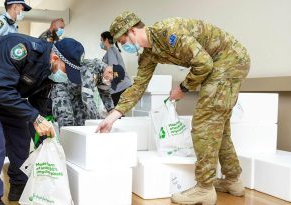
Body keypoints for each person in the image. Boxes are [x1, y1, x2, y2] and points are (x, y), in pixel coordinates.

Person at [96, 11, 250, 205]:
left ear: (132, 30)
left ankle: (204, 189)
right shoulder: (148, 55)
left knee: (205, 124)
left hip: (229, 60)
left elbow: (204, 63)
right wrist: (112, 116)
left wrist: (183, 88)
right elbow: (138, 87)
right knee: (218, 125)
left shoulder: (167, 32)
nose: (122, 45)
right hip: (220, 63)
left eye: (122, 39)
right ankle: (233, 180)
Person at [0, 33, 84, 205]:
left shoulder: (50, 70)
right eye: (67, 70)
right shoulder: (21, 48)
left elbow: (38, 103)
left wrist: (43, 138)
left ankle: (20, 186)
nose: (66, 77)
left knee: (20, 136)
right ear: (55, 58)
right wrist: (35, 118)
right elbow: (2, 92)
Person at [51, 58, 115, 127]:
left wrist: (111, 110)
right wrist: (97, 121)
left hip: (77, 93)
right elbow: (87, 97)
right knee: (66, 121)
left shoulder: (105, 75)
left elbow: (105, 93)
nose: (109, 82)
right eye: (110, 80)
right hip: (63, 89)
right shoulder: (91, 68)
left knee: (82, 121)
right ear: (110, 72)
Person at [100, 31, 132, 106]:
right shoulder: (112, 50)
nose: (101, 43)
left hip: (119, 88)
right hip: (121, 86)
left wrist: (103, 83)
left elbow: (112, 69)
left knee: (116, 113)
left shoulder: (111, 51)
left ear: (106, 40)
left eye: (101, 40)